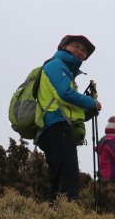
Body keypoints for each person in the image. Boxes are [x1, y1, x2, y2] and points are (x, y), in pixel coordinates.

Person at [36, 34, 102, 202]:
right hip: (57, 128)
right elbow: (65, 94)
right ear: (64, 47)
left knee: (59, 178)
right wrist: (91, 102)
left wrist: (89, 112)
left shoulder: (65, 71)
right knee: (69, 178)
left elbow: (69, 109)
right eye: (76, 47)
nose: (80, 52)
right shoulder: (56, 65)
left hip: (56, 127)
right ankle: (64, 218)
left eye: (83, 51)